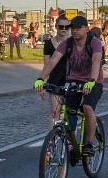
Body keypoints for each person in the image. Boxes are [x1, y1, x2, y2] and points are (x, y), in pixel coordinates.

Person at [35, 16, 104, 156]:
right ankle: (71, 145)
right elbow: (53, 60)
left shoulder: (94, 42)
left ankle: (89, 144)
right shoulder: (67, 43)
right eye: (72, 28)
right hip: (74, 81)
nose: (74, 31)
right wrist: (41, 78)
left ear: (86, 28)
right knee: (68, 113)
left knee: (87, 107)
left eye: (78, 28)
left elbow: (96, 60)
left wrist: (92, 80)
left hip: (93, 81)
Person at [38, 15, 71, 129]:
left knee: (70, 114)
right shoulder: (48, 44)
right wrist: (43, 82)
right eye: (61, 26)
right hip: (55, 80)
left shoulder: (73, 43)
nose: (64, 29)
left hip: (71, 80)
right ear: (56, 27)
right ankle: (52, 142)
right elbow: (47, 65)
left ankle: (70, 143)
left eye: (67, 27)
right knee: (54, 112)